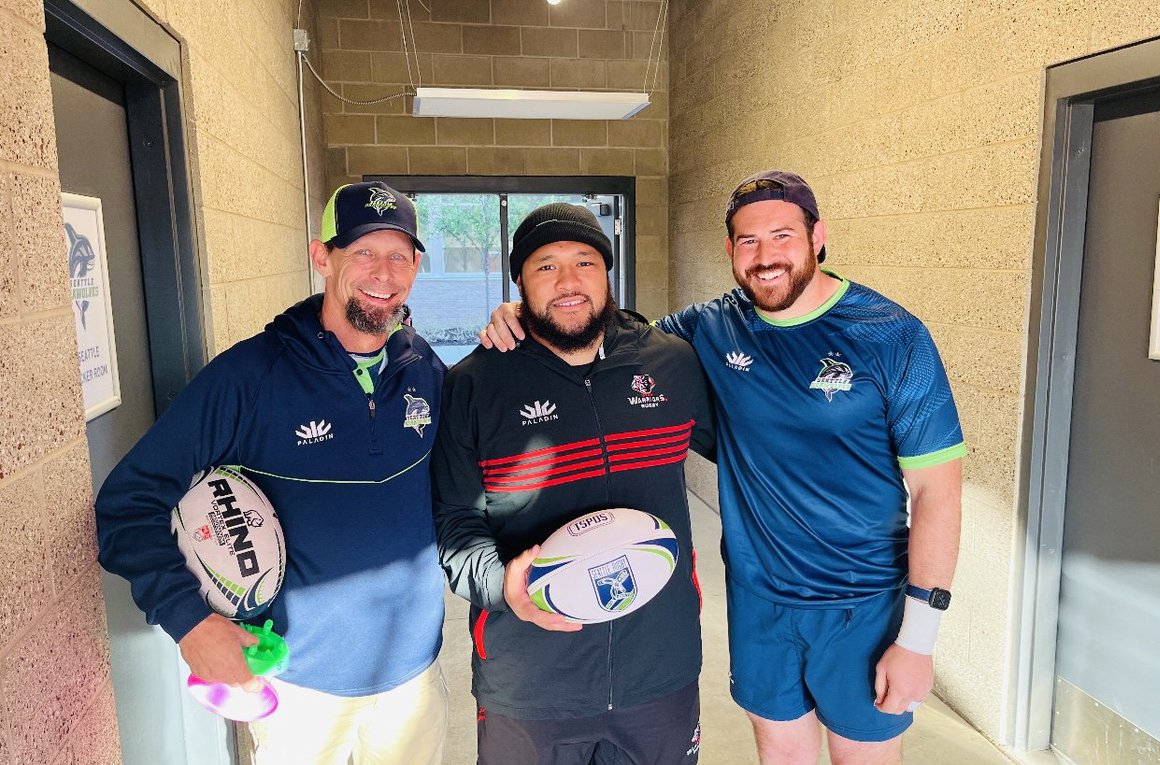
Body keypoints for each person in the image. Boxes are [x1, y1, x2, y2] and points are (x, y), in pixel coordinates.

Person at [481, 171, 966, 765]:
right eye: (747, 241)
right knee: (780, 753)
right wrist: (525, 314)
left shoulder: (894, 337)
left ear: (819, 237)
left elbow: (938, 493)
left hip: (863, 603)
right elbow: (612, 333)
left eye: (782, 236)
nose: (765, 258)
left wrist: (918, 639)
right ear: (731, 249)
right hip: (758, 597)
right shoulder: (709, 327)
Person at [95, 181, 449, 765]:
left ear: (414, 267)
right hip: (299, 685)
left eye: (399, 255)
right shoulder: (249, 376)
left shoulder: (425, 369)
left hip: (413, 675)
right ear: (322, 257)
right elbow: (128, 504)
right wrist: (190, 623)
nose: (382, 272)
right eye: (362, 251)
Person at [432, 202, 717, 765]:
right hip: (530, 681)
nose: (568, 282)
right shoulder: (473, 385)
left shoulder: (671, 365)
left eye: (585, 262)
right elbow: (454, 524)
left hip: (660, 666)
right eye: (545, 266)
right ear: (518, 281)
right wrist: (502, 586)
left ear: (607, 273)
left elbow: (753, 452)